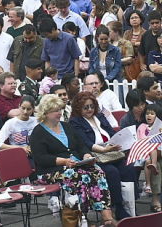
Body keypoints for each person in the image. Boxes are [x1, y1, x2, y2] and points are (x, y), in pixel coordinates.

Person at [31, 94, 116, 225]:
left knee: (97, 171)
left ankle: (107, 216)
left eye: (60, 109)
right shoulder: (38, 132)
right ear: (45, 113)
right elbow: (41, 158)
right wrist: (63, 161)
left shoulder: (66, 126)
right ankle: (82, 218)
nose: (59, 113)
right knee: (78, 176)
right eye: (55, 110)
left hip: (76, 165)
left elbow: (81, 146)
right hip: (51, 170)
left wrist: (86, 155)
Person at [69, 91, 137, 220]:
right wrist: (104, 149)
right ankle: (118, 207)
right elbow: (86, 143)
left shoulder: (99, 116)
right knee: (112, 172)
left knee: (129, 168)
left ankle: (131, 204)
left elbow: (111, 132)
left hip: (111, 151)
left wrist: (118, 141)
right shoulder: (75, 122)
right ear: (79, 108)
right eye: (86, 107)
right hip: (95, 155)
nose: (90, 110)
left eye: (91, 106)